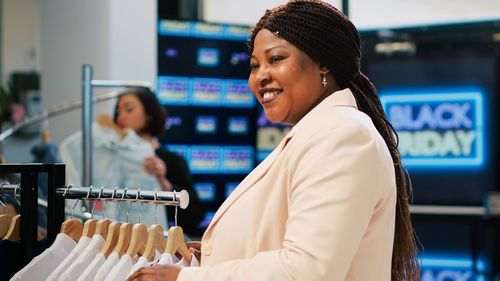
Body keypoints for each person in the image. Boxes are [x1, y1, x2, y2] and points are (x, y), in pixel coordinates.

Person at [128, 1, 420, 280]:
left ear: (324, 64)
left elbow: (306, 271)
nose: (260, 77)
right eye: (254, 66)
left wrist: (189, 279)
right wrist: (214, 259)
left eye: (276, 59)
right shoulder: (319, 133)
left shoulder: (342, 135)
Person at [114, 87, 204, 235]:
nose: (121, 117)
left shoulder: (170, 160)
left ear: (149, 114)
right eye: (118, 111)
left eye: (129, 109)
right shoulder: (113, 154)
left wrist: (164, 183)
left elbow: (195, 215)